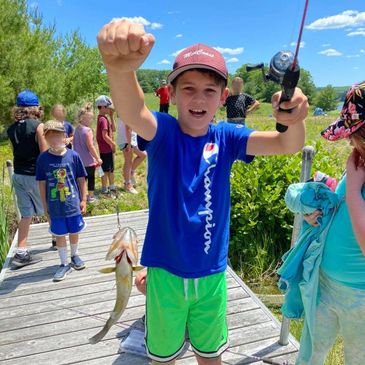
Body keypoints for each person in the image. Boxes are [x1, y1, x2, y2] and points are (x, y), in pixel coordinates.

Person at [97, 19, 308, 365]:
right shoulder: (163, 131)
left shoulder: (228, 138)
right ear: (172, 93)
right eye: (189, 88)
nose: (198, 98)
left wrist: (294, 117)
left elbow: (287, 143)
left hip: (211, 276)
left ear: (224, 97)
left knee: (210, 356)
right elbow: (133, 111)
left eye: (209, 90)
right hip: (164, 274)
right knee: (162, 358)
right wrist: (119, 69)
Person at [295, 81, 365, 365]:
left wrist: (351, 188)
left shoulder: (358, 172)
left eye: (354, 136)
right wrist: (320, 202)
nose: (349, 143)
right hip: (326, 283)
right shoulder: (359, 167)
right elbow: (343, 204)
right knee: (312, 351)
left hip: (360, 295)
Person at [36, 120, 87, 282]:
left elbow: (81, 178)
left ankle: (74, 255)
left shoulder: (74, 156)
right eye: (50, 137)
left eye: (58, 136)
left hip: (73, 204)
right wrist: (45, 206)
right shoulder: (43, 159)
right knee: (59, 234)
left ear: (65, 137)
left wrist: (84, 199)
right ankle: (63, 263)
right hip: (55, 206)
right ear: (45, 138)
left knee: (74, 231)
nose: (54, 140)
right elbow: (42, 183)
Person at [7, 90, 48, 268]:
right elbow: (45, 153)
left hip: (18, 176)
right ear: (35, 107)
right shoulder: (38, 126)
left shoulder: (11, 128)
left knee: (26, 214)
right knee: (49, 207)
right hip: (34, 176)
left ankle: (21, 253)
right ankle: (58, 238)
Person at [73, 103, 103, 203]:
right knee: (91, 178)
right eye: (89, 118)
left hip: (78, 160)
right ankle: (90, 197)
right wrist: (98, 158)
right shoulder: (88, 130)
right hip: (88, 161)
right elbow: (91, 146)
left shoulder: (77, 129)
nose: (91, 121)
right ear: (82, 118)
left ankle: (81, 197)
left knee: (81, 180)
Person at [117, 117, 146, 194]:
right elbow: (128, 129)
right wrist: (129, 144)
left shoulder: (127, 110)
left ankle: (130, 173)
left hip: (131, 140)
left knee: (143, 155)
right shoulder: (127, 111)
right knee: (128, 162)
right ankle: (127, 184)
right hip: (127, 140)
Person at [95, 95, 117, 194]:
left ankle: (106, 187)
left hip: (104, 149)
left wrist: (112, 116)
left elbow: (113, 129)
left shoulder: (103, 118)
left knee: (106, 169)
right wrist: (113, 144)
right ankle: (110, 188)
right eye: (108, 106)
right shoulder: (103, 120)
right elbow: (104, 136)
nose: (110, 108)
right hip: (106, 149)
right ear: (103, 107)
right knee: (109, 170)